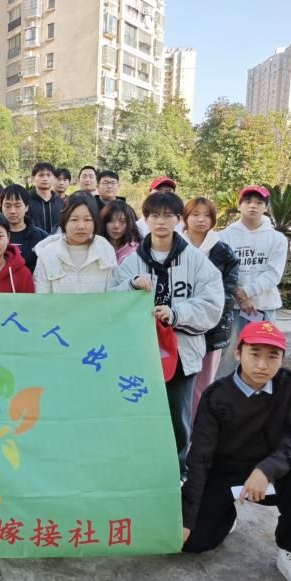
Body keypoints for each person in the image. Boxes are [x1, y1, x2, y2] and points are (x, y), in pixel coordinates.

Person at [182, 320, 291, 581]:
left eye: (273, 356)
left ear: (282, 359)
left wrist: (266, 470)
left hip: (274, 472)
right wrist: (187, 519)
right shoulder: (216, 395)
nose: (263, 364)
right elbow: (199, 458)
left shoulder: (289, 384)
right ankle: (227, 516)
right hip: (227, 472)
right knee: (192, 543)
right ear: (238, 353)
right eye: (255, 354)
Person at [109, 191, 224, 481]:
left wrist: (176, 314)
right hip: (139, 355)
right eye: (154, 216)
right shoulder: (131, 263)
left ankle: (177, 473)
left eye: (168, 216)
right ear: (145, 219)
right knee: (139, 413)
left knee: (177, 417)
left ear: (179, 220)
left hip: (182, 355)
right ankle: (139, 469)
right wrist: (131, 285)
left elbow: (212, 303)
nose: (161, 221)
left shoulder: (196, 261)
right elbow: (109, 300)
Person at [216, 185, 288, 380]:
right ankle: (223, 393)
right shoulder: (223, 236)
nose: (253, 206)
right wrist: (240, 296)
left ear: (266, 207)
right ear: (239, 205)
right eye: (247, 201)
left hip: (263, 307)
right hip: (232, 308)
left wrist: (247, 292)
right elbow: (221, 272)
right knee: (228, 355)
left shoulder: (277, 239)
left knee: (262, 354)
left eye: (259, 202)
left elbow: (273, 273)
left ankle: (258, 393)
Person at [182, 197, 240, 421]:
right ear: (186, 217)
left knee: (203, 383)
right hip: (178, 326)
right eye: (195, 214)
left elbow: (228, 290)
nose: (201, 220)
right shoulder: (173, 247)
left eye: (207, 215)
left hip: (211, 328)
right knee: (179, 382)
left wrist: (208, 315)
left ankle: (199, 428)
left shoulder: (223, 251)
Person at [33, 194, 116, 293]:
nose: (81, 226)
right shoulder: (48, 254)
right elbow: (42, 296)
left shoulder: (105, 249)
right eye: (74, 220)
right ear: (64, 222)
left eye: (87, 219)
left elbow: (112, 292)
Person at [1, 184, 49, 274]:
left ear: (26, 207)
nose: (12, 211)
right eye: (7, 206)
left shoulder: (42, 237)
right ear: (1, 207)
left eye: (18, 206)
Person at [27, 161, 63, 235]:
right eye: (41, 175)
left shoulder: (61, 203)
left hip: (56, 241)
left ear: (54, 178)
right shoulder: (26, 201)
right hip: (33, 241)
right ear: (33, 178)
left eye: (49, 175)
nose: (45, 179)